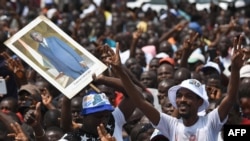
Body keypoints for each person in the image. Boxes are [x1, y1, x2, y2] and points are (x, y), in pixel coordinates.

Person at [108, 34, 245, 141]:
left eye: (189, 96)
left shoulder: (211, 122)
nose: (182, 99)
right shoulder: (171, 125)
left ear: (199, 102)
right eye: (179, 95)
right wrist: (120, 71)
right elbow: (140, 102)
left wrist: (235, 69)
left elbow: (230, 97)